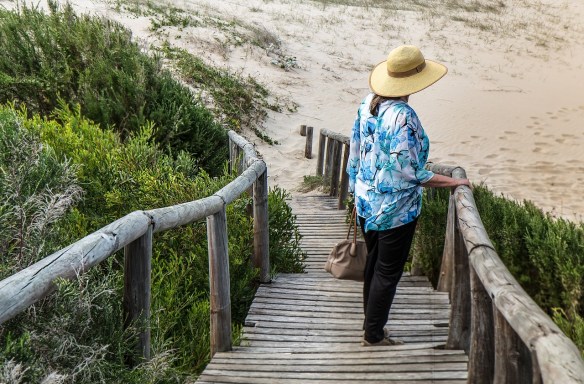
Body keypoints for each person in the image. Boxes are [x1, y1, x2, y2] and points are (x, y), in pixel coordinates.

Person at [346, 45, 471, 346]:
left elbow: (354, 153)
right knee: (387, 272)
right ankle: (373, 334)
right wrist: (454, 182)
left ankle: (371, 326)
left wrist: (354, 191)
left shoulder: (367, 104)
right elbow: (411, 173)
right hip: (395, 210)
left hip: (366, 202)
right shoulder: (403, 116)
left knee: (375, 265)